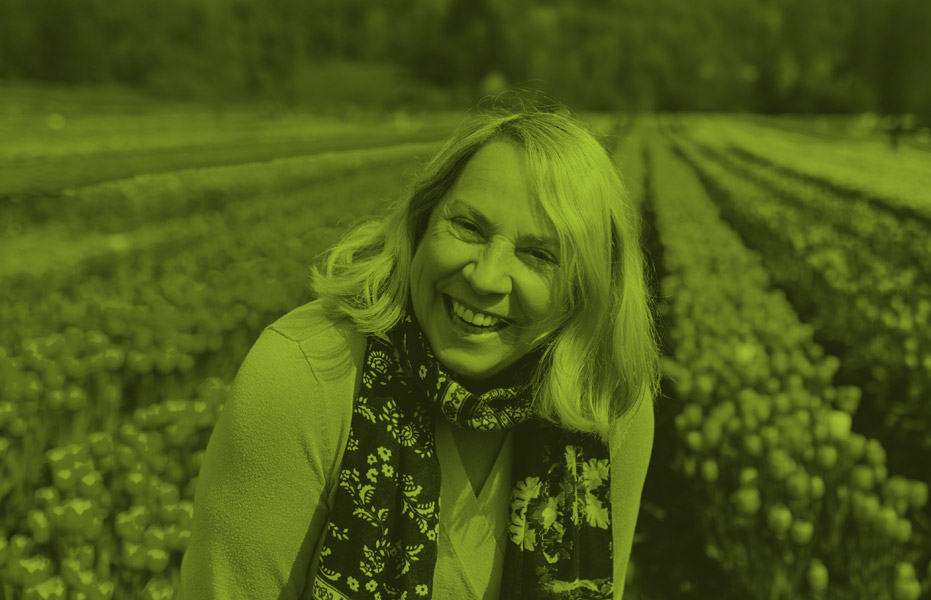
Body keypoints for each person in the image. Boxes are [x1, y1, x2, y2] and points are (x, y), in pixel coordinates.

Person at [177, 101, 661, 599]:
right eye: (469, 227)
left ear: (586, 289)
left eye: (539, 254)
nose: (485, 276)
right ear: (421, 222)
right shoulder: (306, 375)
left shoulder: (602, 400)